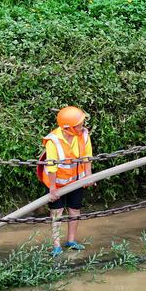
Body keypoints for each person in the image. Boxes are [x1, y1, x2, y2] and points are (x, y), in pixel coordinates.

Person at [42, 106, 92, 256]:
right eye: (79, 124)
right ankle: (56, 245)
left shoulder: (83, 135)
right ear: (68, 128)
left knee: (74, 209)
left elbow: (87, 156)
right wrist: (52, 188)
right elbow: (52, 167)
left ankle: (71, 240)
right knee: (57, 212)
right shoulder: (53, 140)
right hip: (56, 183)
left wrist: (88, 176)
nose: (82, 126)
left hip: (76, 181)